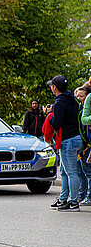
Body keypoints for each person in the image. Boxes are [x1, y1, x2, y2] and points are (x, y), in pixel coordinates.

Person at [46, 75, 82, 212]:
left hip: (67, 140)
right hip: (77, 138)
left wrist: (50, 115)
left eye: (51, 86)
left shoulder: (59, 103)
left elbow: (56, 123)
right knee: (65, 171)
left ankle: (73, 202)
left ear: (55, 87)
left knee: (71, 172)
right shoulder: (72, 99)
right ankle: (63, 199)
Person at [74, 86, 91, 205]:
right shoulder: (80, 109)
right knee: (83, 171)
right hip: (84, 144)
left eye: (81, 96)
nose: (79, 98)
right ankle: (83, 195)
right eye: (77, 95)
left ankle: (88, 196)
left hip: (87, 144)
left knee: (88, 172)